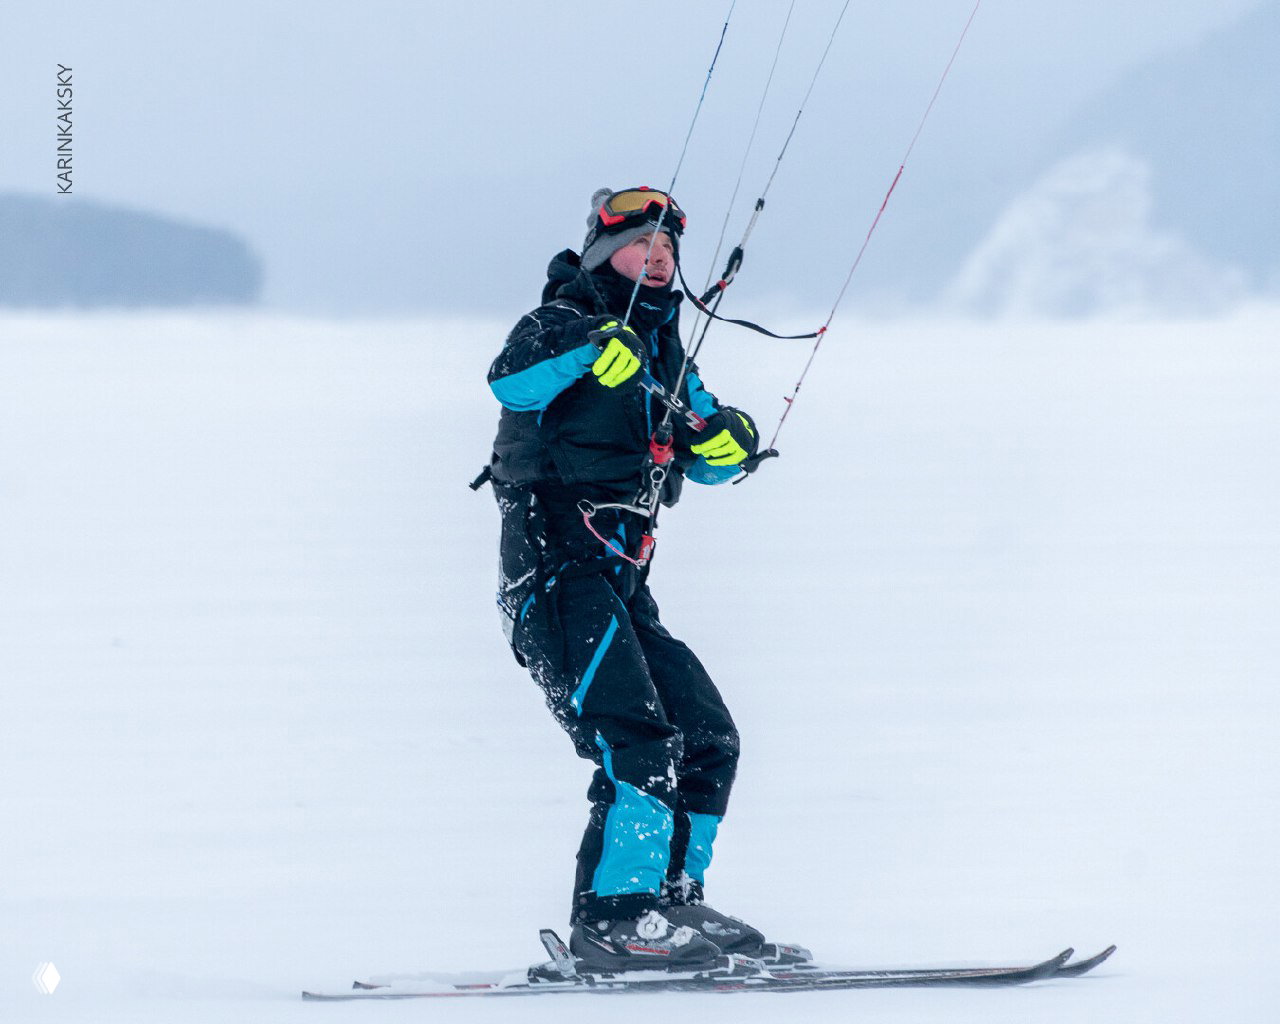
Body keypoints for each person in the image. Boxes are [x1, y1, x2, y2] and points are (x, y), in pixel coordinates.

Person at [482, 186, 765, 972]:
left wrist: (729, 443)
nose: (662, 257)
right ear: (609, 257)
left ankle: (672, 901)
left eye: (670, 249)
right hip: (552, 573)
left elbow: (708, 445)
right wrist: (590, 344)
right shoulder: (559, 322)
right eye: (645, 246)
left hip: (620, 584)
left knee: (707, 736)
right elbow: (511, 380)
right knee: (636, 739)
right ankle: (613, 920)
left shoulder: (666, 353)